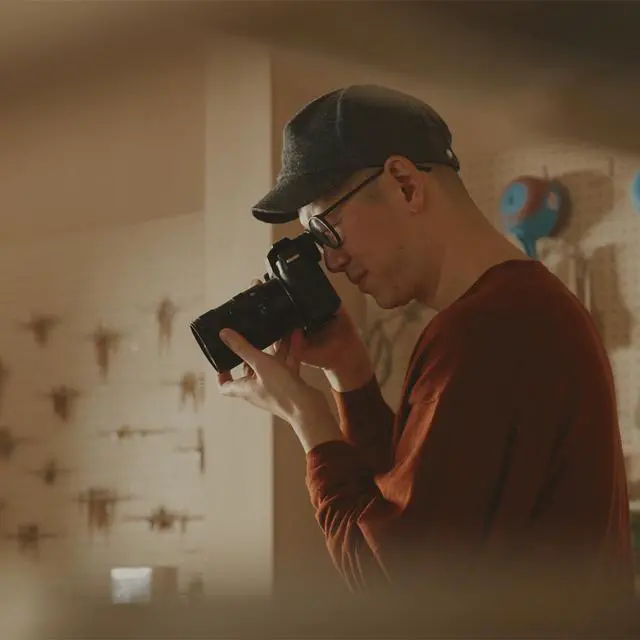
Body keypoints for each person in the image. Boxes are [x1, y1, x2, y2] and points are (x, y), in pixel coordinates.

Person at [216, 85, 635, 607]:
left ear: (405, 184)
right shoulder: (523, 309)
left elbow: (398, 588)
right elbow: (406, 510)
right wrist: (350, 374)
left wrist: (307, 417)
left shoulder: (483, 333)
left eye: (326, 229)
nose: (333, 262)